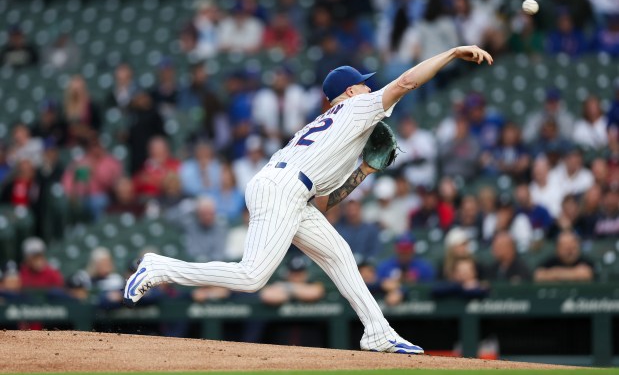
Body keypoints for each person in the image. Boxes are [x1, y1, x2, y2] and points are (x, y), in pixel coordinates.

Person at [124, 44, 494, 354]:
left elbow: (325, 203)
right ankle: (159, 267)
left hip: (290, 190)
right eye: (362, 86)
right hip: (283, 188)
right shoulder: (357, 108)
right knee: (252, 277)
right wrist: (451, 53)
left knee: (339, 255)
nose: (368, 89)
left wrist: (364, 170)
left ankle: (378, 331)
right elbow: (407, 82)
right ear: (349, 92)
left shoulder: (335, 128)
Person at [376, 235, 435, 306]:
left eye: (407, 248)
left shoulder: (424, 267)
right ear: (396, 248)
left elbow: (430, 287)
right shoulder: (385, 266)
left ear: (413, 248)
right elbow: (378, 284)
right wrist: (385, 285)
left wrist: (401, 289)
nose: (404, 252)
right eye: (402, 248)